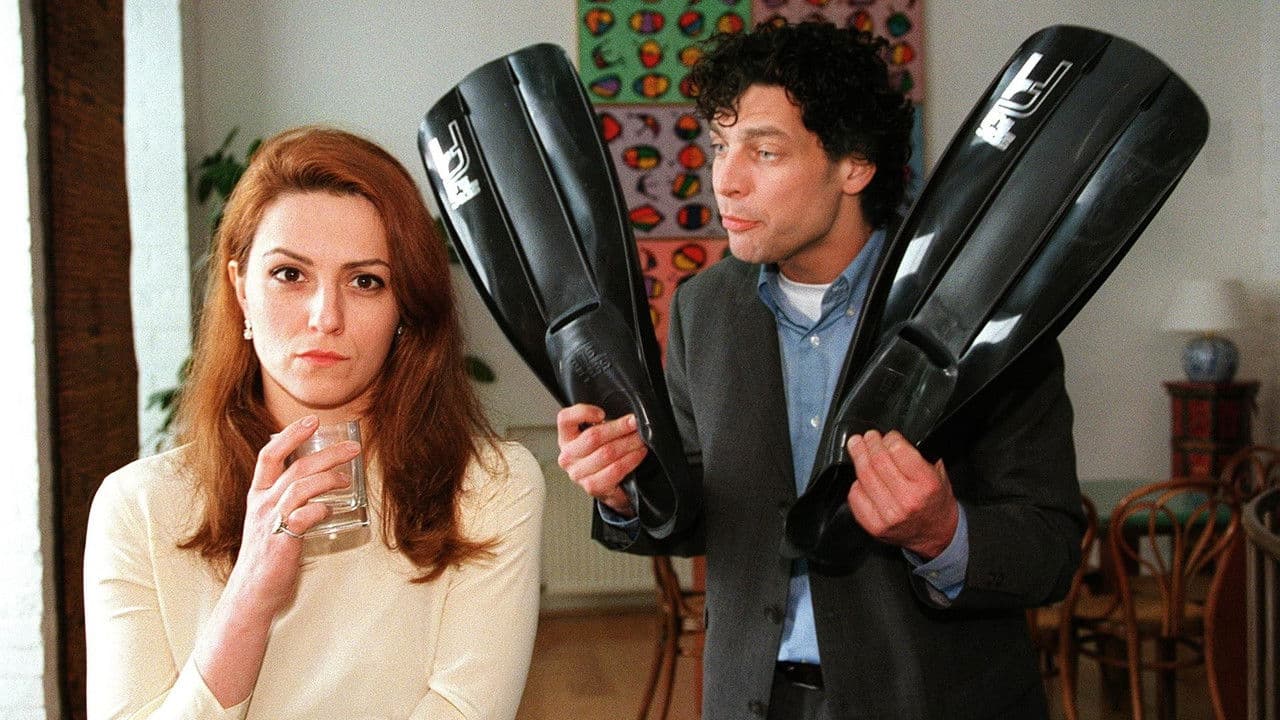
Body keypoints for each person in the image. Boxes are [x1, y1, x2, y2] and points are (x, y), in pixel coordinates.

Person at [556, 23, 1083, 720]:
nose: (726, 180)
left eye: (764, 151)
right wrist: (625, 488)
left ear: (854, 166)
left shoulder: (982, 314)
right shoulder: (704, 309)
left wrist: (941, 531)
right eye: (720, 146)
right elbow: (694, 515)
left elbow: (1051, 548)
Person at [84, 127, 545, 720]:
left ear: (404, 308)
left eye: (366, 281)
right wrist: (248, 600)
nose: (326, 317)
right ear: (240, 290)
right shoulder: (139, 508)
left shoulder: (490, 488)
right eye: (290, 274)